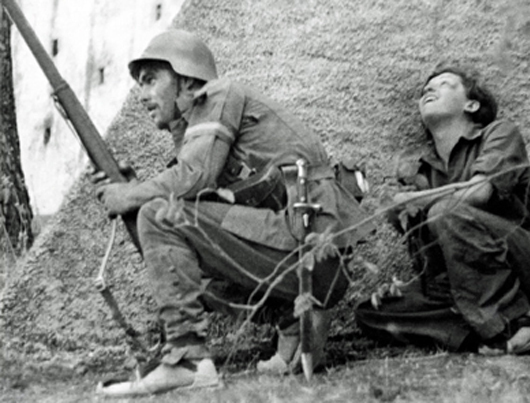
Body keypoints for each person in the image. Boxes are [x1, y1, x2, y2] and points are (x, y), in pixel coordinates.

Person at [93, 30, 372, 397]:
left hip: (310, 247)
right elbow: (198, 205)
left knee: (162, 217)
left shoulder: (219, 94)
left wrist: (131, 195)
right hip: (304, 257)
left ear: (187, 78)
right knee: (169, 241)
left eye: (150, 80)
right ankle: (292, 322)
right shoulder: (199, 132)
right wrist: (134, 191)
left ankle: (188, 361)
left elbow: (193, 177)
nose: (141, 94)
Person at [355, 62, 530, 355]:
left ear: (472, 104)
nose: (429, 91)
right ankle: (489, 333)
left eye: (445, 84)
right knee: (372, 313)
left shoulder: (499, 133)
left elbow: (478, 192)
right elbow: (434, 267)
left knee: (447, 211)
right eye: (426, 89)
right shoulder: (423, 172)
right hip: (470, 289)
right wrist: (411, 287)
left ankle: (519, 322)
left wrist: (415, 201)